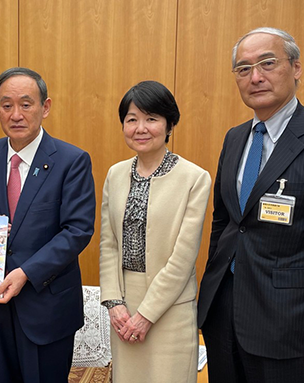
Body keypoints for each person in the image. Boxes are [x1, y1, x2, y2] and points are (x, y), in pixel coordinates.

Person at [197, 27, 304, 383]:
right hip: (223, 311)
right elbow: (226, 223)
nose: (256, 76)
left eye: (268, 63)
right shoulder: (235, 138)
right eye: (243, 68)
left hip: (287, 320)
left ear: (295, 68)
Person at [0, 67, 96, 382]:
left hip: (46, 305)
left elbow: (77, 230)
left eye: (26, 104)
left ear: (45, 107)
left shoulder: (71, 160)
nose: (16, 114)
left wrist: (25, 273)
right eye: (7, 105)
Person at [99, 81, 211, 382]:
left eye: (151, 118)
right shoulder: (115, 174)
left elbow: (183, 257)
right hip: (123, 309)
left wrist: (146, 315)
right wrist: (114, 303)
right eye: (131, 119)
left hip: (169, 309)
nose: (140, 128)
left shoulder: (194, 178)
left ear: (169, 124)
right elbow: (108, 244)